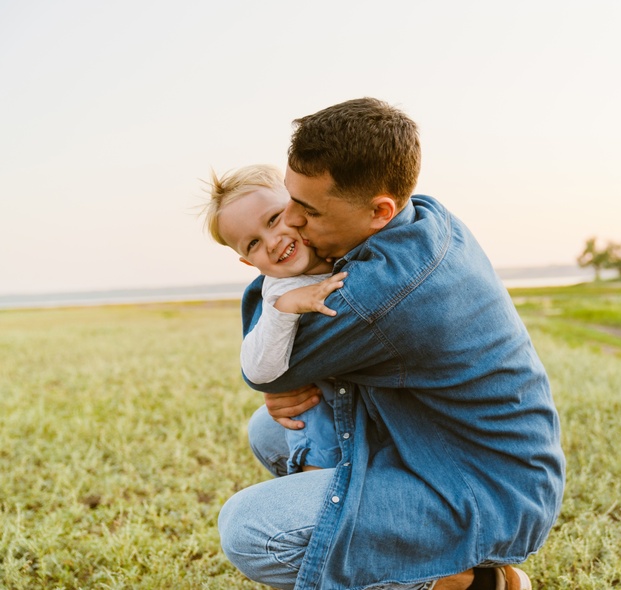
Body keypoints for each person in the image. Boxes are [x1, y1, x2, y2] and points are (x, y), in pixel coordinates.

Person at [218, 98, 566, 590]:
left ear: (379, 210)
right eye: (288, 199)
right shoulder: (422, 213)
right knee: (269, 431)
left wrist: (285, 368)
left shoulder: (376, 295)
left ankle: (469, 584)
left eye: (307, 210)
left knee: (250, 531)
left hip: (483, 493)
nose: (290, 222)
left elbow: (265, 370)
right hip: (459, 452)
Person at [204, 163, 347, 473]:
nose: (272, 241)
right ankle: (313, 490)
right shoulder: (277, 291)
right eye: (253, 243)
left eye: (274, 218)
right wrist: (284, 309)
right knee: (307, 414)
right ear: (246, 261)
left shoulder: (339, 246)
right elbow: (257, 369)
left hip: (367, 407)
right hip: (321, 415)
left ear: (296, 206)